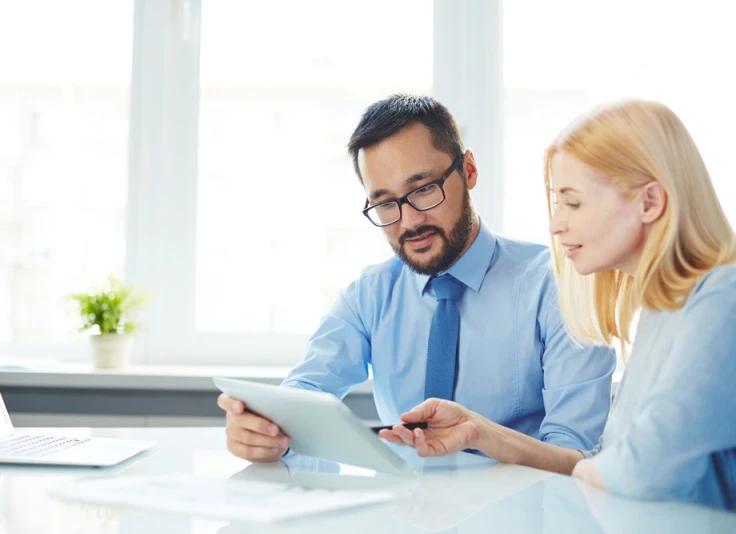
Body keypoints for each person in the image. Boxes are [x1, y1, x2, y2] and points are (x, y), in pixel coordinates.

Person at [218, 94, 615, 463]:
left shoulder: (561, 287)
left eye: (423, 190)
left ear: (470, 170)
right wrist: (268, 432)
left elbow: (574, 453)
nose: (409, 221)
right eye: (385, 203)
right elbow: (306, 395)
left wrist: (481, 435)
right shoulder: (369, 295)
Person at [379, 99, 736, 509]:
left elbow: (636, 470)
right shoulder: (666, 308)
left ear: (649, 202)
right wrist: (480, 431)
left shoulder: (722, 301)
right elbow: (604, 464)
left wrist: (598, 468)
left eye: (574, 202)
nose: (555, 224)